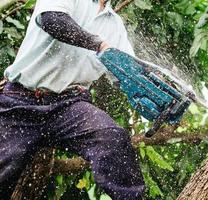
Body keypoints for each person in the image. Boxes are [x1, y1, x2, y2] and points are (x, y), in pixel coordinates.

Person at [0, 0, 145, 199]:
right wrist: (99, 44)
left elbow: (129, 72)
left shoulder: (115, 26)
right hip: (20, 101)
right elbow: (52, 20)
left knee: (111, 138)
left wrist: (167, 85)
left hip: (69, 106)